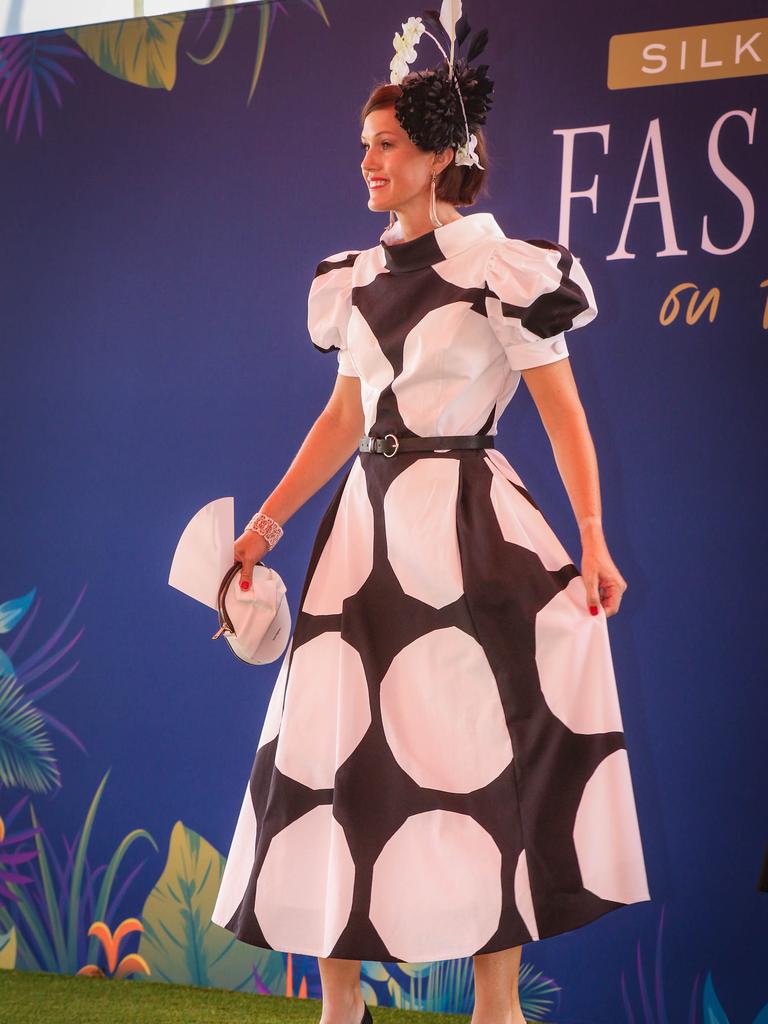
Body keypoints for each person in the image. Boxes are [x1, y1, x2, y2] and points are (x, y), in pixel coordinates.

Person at [210, 9, 651, 1024]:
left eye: (386, 145)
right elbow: (342, 416)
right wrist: (269, 522)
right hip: (360, 543)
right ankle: (340, 1006)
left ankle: (496, 1008)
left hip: (467, 539)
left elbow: (567, 422)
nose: (367, 163)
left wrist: (590, 537)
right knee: (330, 757)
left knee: (478, 764)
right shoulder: (353, 281)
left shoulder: (505, 273)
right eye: (364, 146)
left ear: (440, 154)